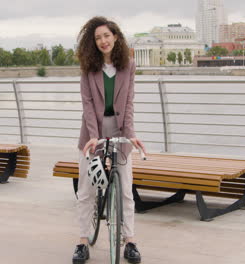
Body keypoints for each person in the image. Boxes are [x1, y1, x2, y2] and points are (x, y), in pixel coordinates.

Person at [72, 16, 146, 264]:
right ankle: (83, 241)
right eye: (98, 38)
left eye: (106, 35)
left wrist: (131, 134)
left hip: (120, 131)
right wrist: (93, 137)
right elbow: (88, 105)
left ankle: (130, 241)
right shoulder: (88, 68)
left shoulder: (128, 66)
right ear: (93, 43)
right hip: (92, 131)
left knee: (125, 189)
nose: (103, 41)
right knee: (86, 190)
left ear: (115, 37)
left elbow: (129, 104)